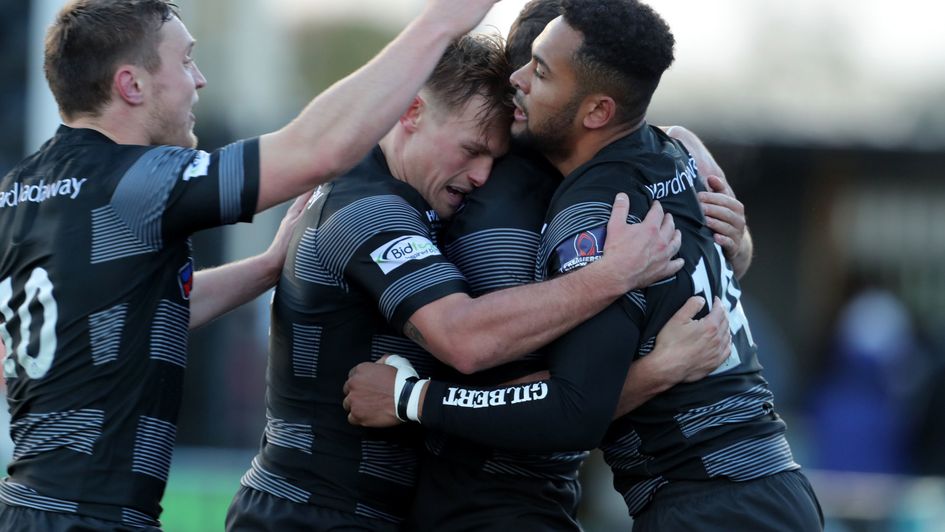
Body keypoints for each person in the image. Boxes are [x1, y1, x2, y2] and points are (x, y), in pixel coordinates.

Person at [0, 0, 508, 529]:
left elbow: (123, 313)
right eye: (185, 61)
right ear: (132, 85)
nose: (199, 79)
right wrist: (441, 22)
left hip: (26, 507)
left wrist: (267, 268)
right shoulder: (135, 182)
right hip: (89, 518)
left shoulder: (22, 187)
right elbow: (319, 151)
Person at [345, 1, 823, 530]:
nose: (517, 84)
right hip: (770, 484)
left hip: (704, 502)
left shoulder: (595, 211)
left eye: (539, 71)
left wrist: (411, 398)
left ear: (597, 109)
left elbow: (569, 406)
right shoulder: (672, 154)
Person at [225, 31, 686, 531]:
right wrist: (612, 275)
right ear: (412, 112)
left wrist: (685, 150)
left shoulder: (409, 195)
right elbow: (464, 340)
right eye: (472, 150)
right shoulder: (367, 209)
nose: (483, 176)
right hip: (308, 516)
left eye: (495, 159)